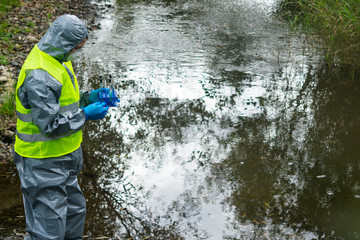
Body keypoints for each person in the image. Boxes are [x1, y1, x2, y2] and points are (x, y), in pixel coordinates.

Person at [14, 14, 110, 239]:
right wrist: (85, 115)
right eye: (75, 48)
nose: (75, 52)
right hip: (43, 162)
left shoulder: (58, 58)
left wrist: (87, 98)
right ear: (63, 42)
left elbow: (62, 103)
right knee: (48, 229)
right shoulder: (39, 74)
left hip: (64, 159)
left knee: (74, 213)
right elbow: (50, 125)